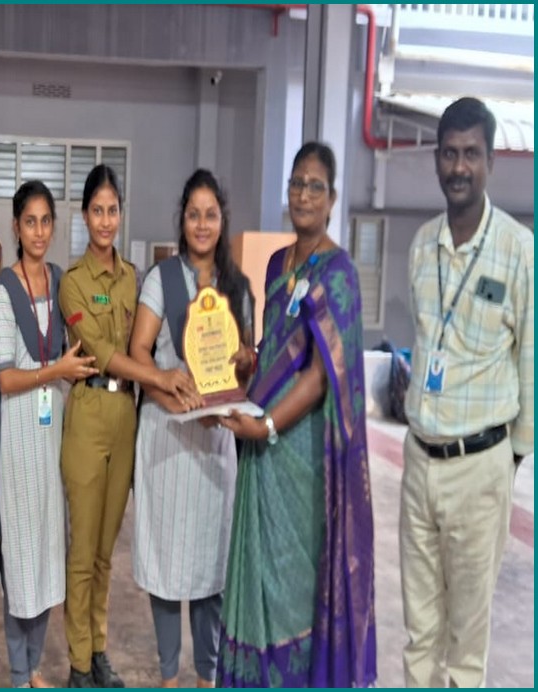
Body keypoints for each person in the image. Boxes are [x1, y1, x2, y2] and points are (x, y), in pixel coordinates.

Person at [217, 141, 376, 688]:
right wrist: (250, 360)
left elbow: (318, 374)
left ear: (331, 199)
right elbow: (277, 346)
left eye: (315, 186)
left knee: (292, 580)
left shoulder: (339, 273)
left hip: (300, 450)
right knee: (258, 569)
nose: (303, 195)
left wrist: (265, 426)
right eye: (296, 184)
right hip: (261, 439)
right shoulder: (275, 265)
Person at [400, 97, 533, 688]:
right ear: (436, 159)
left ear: (490, 162)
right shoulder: (421, 244)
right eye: (450, 153)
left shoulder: (518, 250)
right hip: (418, 462)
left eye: (471, 154)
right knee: (419, 634)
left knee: (465, 646)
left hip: (480, 467)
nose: (459, 167)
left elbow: (531, 362)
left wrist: (509, 458)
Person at [58, 164, 196, 689]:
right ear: (84, 215)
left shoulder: (133, 277)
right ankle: (78, 664)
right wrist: (161, 377)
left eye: (112, 210)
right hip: (89, 416)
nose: (105, 220)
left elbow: (147, 341)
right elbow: (103, 353)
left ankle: (98, 652)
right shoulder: (73, 283)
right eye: (97, 210)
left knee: (104, 554)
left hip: (125, 419)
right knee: (81, 551)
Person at [128, 169, 254, 689]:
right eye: (194, 214)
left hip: (214, 441)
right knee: (164, 563)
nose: (202, 224)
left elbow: (245, 370)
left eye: (211, 215)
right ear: (182, 220)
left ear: (223, 221)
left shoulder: (237, 288)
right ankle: (168, 674)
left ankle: (207, 674)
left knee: (210, 564)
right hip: (167, 437)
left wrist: (246, 362)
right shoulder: (162, 279)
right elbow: (139, 352)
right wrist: (170, 394)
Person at [0, 181, 99, 689]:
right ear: (16, 226)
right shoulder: (5, 287)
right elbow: (6, 377)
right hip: (17, 438)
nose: (38, 231)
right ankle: (17, 672)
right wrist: (56, 371)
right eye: (29, 221)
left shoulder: (59, 281)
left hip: (53, 438)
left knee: (50, 551)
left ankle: (33, 668)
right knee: (20, 555)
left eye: (45, 221)